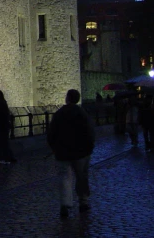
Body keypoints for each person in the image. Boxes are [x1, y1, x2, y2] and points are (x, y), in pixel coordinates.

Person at [47, 89, 96, 218]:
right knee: (81, 177)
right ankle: (83, 202)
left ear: (67, 98)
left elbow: (51, 133)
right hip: (81, 152)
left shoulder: (59, 114)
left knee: (64, 178)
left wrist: (54, 147)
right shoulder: (83, 113)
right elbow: (90, 132)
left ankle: (65, 204)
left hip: (63, 152)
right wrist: (89, 147)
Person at [0, 89, 15, 164]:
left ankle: (4, 158)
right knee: (5, 143)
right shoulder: (3, 103)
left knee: (2, 143)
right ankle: (8, 158)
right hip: (4, 126)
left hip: (1, 127)